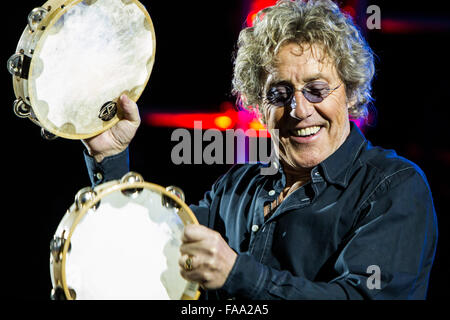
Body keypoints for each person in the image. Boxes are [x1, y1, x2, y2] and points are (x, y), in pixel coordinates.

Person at [82, 0, 437, 299]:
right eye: (279, 94)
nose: (299, 110)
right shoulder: (236, 186)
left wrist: (239, 274)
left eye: (316, 89)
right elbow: (141, 246)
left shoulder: (394, 187)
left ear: (352, 92)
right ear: (258, 104)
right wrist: (110, 157)